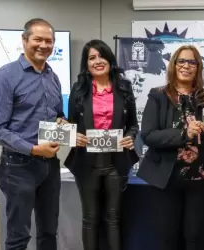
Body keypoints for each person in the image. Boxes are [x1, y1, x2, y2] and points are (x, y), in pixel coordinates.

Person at [137, 45, 204, 250]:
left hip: (200, 180)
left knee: (196, 238)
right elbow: (148, 135)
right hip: (166, 179)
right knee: (168, 238)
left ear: (198, 67)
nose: (186, 66)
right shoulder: (158, 96)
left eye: (192, 62)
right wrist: (184, 134)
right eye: (182, 61)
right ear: (174, 65)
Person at [0, 18, 66, 250]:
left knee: (48, 232)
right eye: (38, 39)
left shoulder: (52, 76)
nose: (43, 45)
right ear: (24, 40)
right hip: (18, 167)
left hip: (50, 167)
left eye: (49, 41)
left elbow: (58, 114)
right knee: (18, 236)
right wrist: (33, 149)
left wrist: (62, 122)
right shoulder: (6, 76)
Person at [64, 39, 139, 250]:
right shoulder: (79, 89)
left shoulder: (124, 87)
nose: (98, 61)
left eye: (102, 56)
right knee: (90, 218)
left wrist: (131, 136)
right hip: (86, 162)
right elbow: (72, 124)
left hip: (116, 162)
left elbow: (133, 124)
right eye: (91, 57)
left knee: (113, 218)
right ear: (86, 64)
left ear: (110, 59)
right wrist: (73, 136)